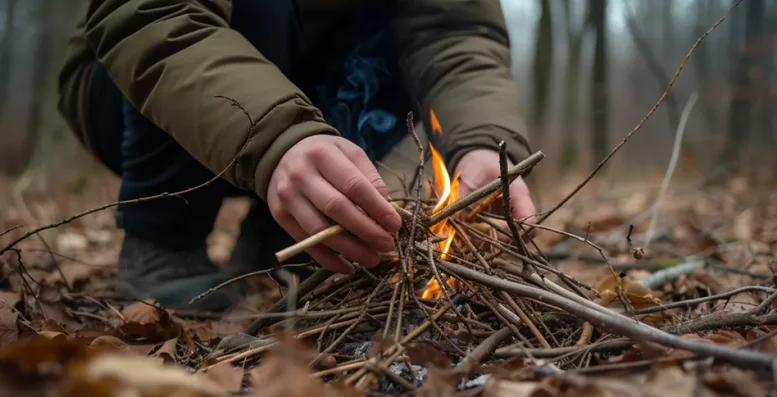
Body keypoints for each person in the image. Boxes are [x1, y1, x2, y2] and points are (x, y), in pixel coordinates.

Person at [57, 0, 538, 311]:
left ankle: (291, 230)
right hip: (133, 89)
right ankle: (163, 236)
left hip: (307, 88)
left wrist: (480, 141)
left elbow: (453, 33)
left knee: (394, 38)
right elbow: (154, 15)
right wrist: (277, 138)